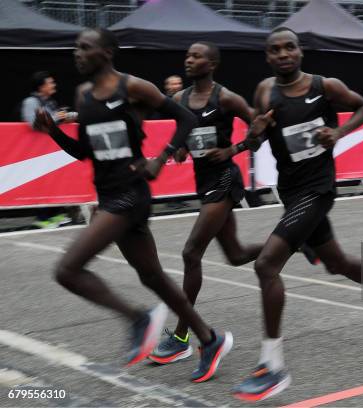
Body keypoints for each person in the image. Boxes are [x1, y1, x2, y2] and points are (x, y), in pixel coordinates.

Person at [33, 28, 232, 382]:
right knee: (153, 276)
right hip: (110, 195)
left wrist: (161, 159)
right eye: (75, 48)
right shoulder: (82, 95)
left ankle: (139, 319)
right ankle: (210, 339)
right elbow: (85, 153)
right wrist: (54, 131)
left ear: (108, 52)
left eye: (85, 47)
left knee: (67, 269)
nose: (76, 53)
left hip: (131, 195)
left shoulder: (133, 87)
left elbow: (186, 118)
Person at [232, 27, 363, 402]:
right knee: (335, 262)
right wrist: (256, 131)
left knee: (266, 265)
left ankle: (273, 366)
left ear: (300, 52)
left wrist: (339, 131)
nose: (283, 54)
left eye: (289, 47)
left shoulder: (325, 86)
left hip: (319, 189)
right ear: (267, 57)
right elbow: (253, 142)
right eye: (275, 50)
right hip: (291, 191)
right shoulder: (265, 91)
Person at [149, 42, 264, 364]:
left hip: (225, 178)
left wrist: (233, 149)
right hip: (203, 180)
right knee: (236, 254)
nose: (189, 59)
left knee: (190, 252)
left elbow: (260, 129)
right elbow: (185, 129)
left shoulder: (225, 97)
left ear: (212, 64)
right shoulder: (179, 99)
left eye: (197, 56)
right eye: (187, 54)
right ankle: (297, 242)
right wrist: (183, 147)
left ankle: (183, 335)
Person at [22, 71, 78, 229]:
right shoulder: (31, 102)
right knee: (43, 182)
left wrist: (66, 118)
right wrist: (59, 118)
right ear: (41, 86)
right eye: (50, 82)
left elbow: (52, 120)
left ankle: (56, 215)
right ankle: (42, 218)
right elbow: (33, 123)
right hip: (36, 151)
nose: (53, 85)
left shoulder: (50, 102)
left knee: (55, 180)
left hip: (52, 149)